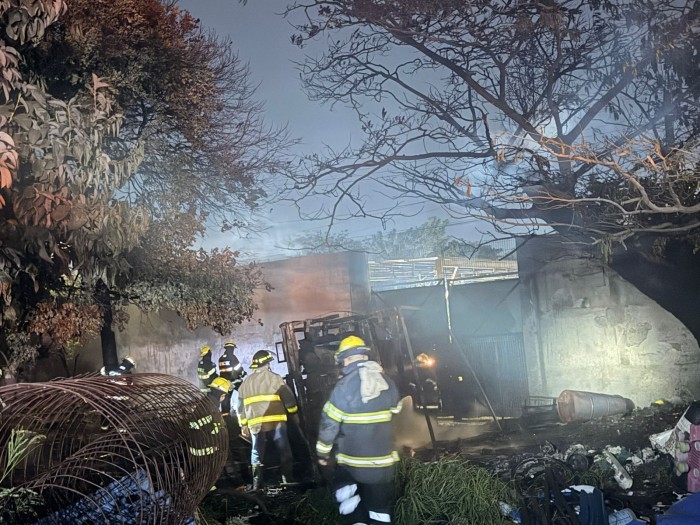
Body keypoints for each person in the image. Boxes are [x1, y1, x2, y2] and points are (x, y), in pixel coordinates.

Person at [315, 335, 402, 525]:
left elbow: (329, 425)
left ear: (345, 360)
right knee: (379, 509)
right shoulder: (387, 382)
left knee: (346, 497)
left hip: (352, 464)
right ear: (365, 356)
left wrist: (322, 455)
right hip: (383, 464)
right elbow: (397, 413)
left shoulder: (342, 388)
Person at [236, 349, 298, 491]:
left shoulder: (246, 383)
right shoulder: (275, 379)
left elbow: (239, 407)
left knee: (256, 453)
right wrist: (294, 414)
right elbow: (289, 399)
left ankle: (257, 484)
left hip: (256, 425)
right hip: (277, 422)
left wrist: (243, 425)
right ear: (267, 364)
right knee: (284, 450)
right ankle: (288, 479)